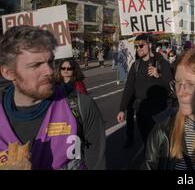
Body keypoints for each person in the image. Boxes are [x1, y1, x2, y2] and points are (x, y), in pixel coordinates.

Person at [0, 26, 106, 170]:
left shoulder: (80, 106)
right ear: (8, 73)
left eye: (50, 62)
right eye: (36, 65)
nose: (49, 71)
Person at [117, 34, 173, 147]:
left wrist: (158, 75)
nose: (138, 48)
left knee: (160, 143)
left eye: (141, 45)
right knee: (147, 142)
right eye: (136, 46)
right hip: (141, 110)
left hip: (159, 110)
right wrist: (122, 109)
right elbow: (129, 88)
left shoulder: (162, 63)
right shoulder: (135, 65)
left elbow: (170, 86)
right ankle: (149, 160)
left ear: (150, 45)